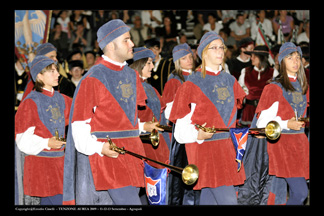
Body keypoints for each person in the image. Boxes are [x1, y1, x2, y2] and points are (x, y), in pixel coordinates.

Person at [63, 19, 158, 205]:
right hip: (110, 156)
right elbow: (79, 127)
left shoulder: (131, 75)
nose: (132, 44)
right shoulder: (93, 77)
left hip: (133, 154)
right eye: (126, 40)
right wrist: (99, 148)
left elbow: (123, 120)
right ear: (111, 45)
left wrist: (143, 126)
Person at [169, 32, 246, 205]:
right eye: (214, 48)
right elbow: (179, 131)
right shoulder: (192, 83)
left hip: (228, 148)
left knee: (209, 200)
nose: (220, 51)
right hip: (206, 151)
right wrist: (198, 135)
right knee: (229, 201)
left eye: (222, 47)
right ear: (203, 53)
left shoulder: (230, 80)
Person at [255, 42, 309, 205]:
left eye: (298, 57)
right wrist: (287, 123)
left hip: (300, 143)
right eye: (290, 58)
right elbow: (262, 123)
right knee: (301, 192)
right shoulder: (274, 88)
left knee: (293, 193)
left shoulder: (303, 86)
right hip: (283, 145)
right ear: (281, 62)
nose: (295, 61)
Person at [15, 55, 72, 205]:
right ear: (39, 75)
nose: (58, 74)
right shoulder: (30, 102)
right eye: (52, 71)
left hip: (60, 164)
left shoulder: (63, 99)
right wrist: (47, 142)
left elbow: (84, 114)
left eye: (56, 71)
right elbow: (21, 139)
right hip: (40, 166)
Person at [129, 47, 169, 169]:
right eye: (149, 63)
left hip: (157, 141)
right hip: (146, 143)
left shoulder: (149, 87)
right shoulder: (133, 87)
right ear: (139, 64)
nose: (152, 67)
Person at [238, 45, 278, 126]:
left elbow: (277, 93)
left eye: (254, 57)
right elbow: (239, 91)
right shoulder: (245, 72)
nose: (251, 58)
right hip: (249, 110)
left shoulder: (273, 73)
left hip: (266, 110)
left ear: (261, 58)